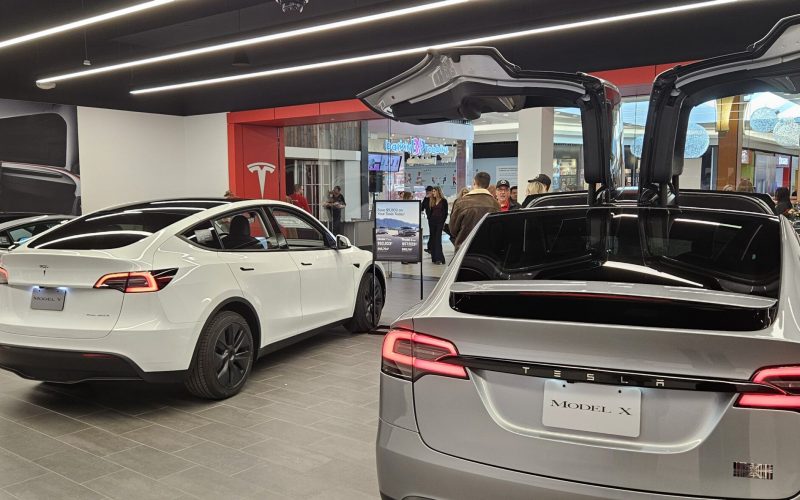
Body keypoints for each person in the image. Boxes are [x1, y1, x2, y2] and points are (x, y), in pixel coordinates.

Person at [449, 172, 500, 251]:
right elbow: (496, 231)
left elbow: (453, 230)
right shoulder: (495, 204)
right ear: (488, 185)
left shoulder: (460, 202)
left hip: (464, 251)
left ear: (474, 182)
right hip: (487, 252)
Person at [428, 187, 448, 265]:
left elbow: (445, 213)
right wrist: (429, 218)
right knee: (433, 239)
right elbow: (431, 211)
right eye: (432, 191)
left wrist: (443, 222)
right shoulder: (432, 200)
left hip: (440, 222)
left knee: (437, 240)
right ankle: (434, 258)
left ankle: (439, 258)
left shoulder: (444, 201)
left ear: (438, 191)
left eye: (434, 191)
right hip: (432, 222)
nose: (433, 193)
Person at [420, 186, 434, 254]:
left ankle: (431, 248)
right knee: (431, 233)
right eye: (426, 191)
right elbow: (422, 207)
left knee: (433, 233)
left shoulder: (435, 198)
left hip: (435, 218)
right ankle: (430, 248)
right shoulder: (426, 198)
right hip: (430, 218)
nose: (427, 192)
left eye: (428, 191)